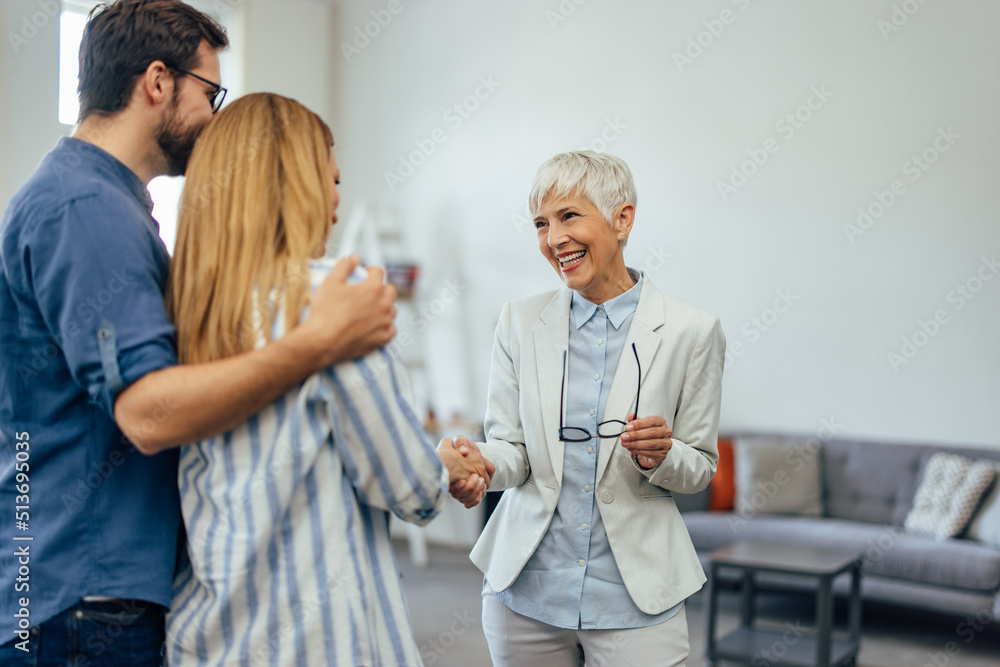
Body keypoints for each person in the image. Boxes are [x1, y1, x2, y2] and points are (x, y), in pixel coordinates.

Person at [0, 1, 396, 662]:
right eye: (211, 93)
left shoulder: (97, 199)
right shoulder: (88, 209)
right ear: (158, 82)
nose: (215, 117)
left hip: (70, 587)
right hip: (84, 601)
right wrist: (316, 342)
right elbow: (149, 414)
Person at [163, 92, 492, 666]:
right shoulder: (335, 296)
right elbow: (407, 489)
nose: (338, 203)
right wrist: (442, 459)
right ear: (297, 187)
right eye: (330, 182)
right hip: (318, 642)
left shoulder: (186, 308)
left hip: (207, 636)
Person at [449, 151, 726, 666]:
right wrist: (483, 465)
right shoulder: (518, 322)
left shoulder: (694, 331)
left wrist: (661, 456)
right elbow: (512, 450)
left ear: (622, 220)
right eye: (541, 223)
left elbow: (701, 468)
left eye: (569, 216)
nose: (553, 240)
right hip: (526, 596)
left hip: (635, 602)